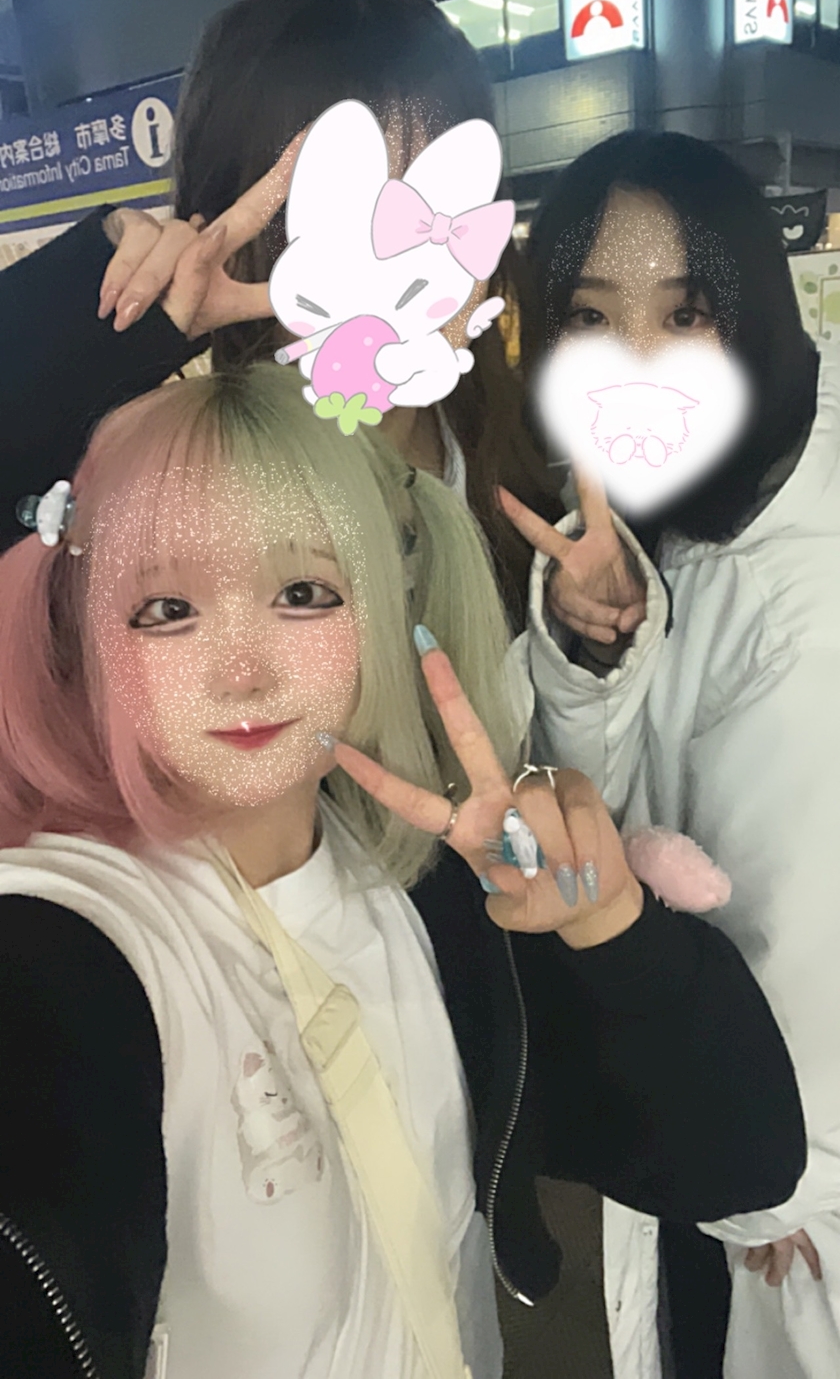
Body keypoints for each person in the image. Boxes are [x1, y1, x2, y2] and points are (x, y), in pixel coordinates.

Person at [0, 367, 806, 1379]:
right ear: (84, 631)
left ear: (383, 607)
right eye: (167, 607)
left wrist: (609, 929)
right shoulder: (65, 951)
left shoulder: (437, 903)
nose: (241, 669)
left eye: (302, 593)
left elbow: (739, 1165)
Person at [502, 129, 838, 1379]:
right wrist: (596, 645)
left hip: (783, 1205)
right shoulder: (693, 507)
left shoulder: (803, 588)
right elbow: (606, 806)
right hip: (708, 1108)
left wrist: (771, 1189)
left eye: (685, 314)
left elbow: (808, 940)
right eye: (592, 317)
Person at [0, 0, 558, 621]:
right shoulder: (170, 490)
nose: (399, 264)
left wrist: (598, 640)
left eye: (439, 197)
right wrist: (114, 320)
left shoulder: (514, 445)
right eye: (349, 214)